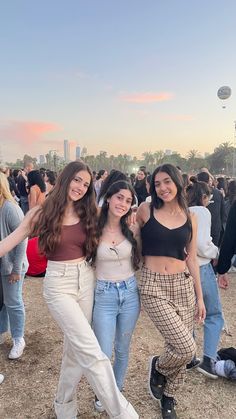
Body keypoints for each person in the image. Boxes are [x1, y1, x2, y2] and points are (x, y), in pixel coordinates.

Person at [0, 161, 138, 419]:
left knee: (74, 349)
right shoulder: (42, 213)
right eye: (77, 180)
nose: (81, 187)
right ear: (66, 179)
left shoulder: (90, 212)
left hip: (86, 280)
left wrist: (133, 213)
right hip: (58, 284)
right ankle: (124, 414)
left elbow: (116, 218)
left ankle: (63, 405)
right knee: (91, 351)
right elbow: (8, 242)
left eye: (86, 184)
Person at [136, 164, 205, 419]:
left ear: (177, 182)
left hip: (183, 284)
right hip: (153, 285)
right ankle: (159, 366)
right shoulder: (145, 210)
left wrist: (199, 297)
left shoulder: (191, 217)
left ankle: (169, 397)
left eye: (167, 182)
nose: (162, 188)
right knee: (186, 348)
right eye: (157, 184)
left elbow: (193, 259)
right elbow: (135, 246)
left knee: (176, 343)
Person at [92, 180, 140, 412]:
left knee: (122, 348)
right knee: (102, 351)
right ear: (109, 198)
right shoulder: (92, 226)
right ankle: (103, 393)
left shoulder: (132, 228)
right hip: (104, 294)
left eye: (128, 200)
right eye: (119, 197)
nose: (123, 203)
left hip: (130, 293)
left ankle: (117, 391)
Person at [186, 180, 224, 378]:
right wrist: (215, 251)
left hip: (183, 269)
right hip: (201, 266)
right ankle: (208, 359)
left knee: (187, 314)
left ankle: (188, 356)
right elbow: (201, 244)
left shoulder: (181, 210)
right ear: (204, 197)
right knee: (214, 314)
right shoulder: (201, 211)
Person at [0, 173, 28, 359]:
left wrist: (16, 270)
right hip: (1, 264)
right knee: (2, 303)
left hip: (11, 266)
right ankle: (2, 332)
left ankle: (19, 339)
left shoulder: (10, 209)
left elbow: (22, 239)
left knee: (13, 302)